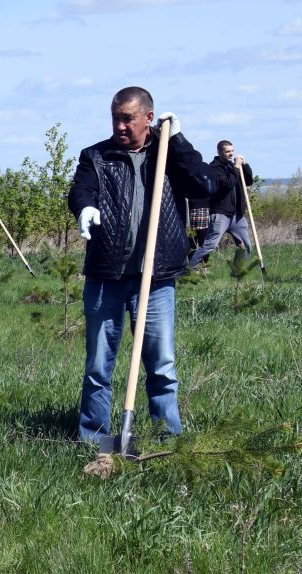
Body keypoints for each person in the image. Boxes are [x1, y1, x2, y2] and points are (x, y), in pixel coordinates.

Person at [66, 87, 225, 448]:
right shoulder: (97, 155)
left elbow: (206, 183)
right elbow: (81, 190)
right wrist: (85, 208)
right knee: (98, 366)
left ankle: (167, 439)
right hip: (106, 274)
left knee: (162, 365)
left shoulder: (168, 153)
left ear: (148, 118)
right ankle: (94, 439)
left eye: (128, 118)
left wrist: (179, 140)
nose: (120, 125)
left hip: (157, 278)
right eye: (115, 117)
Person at [187, 140, 257, 270]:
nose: (231, 154)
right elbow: (228, 184)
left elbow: (248, 181)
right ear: (219, 152)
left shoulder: (233, 167)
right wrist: (236, 167)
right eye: (227, 151)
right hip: (221, 212)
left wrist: (245, 166)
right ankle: (191, 268)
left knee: (246, 245)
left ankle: (237, 270)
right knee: (210, 245)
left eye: (232, 151)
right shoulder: (213, 168)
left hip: (237, 214)